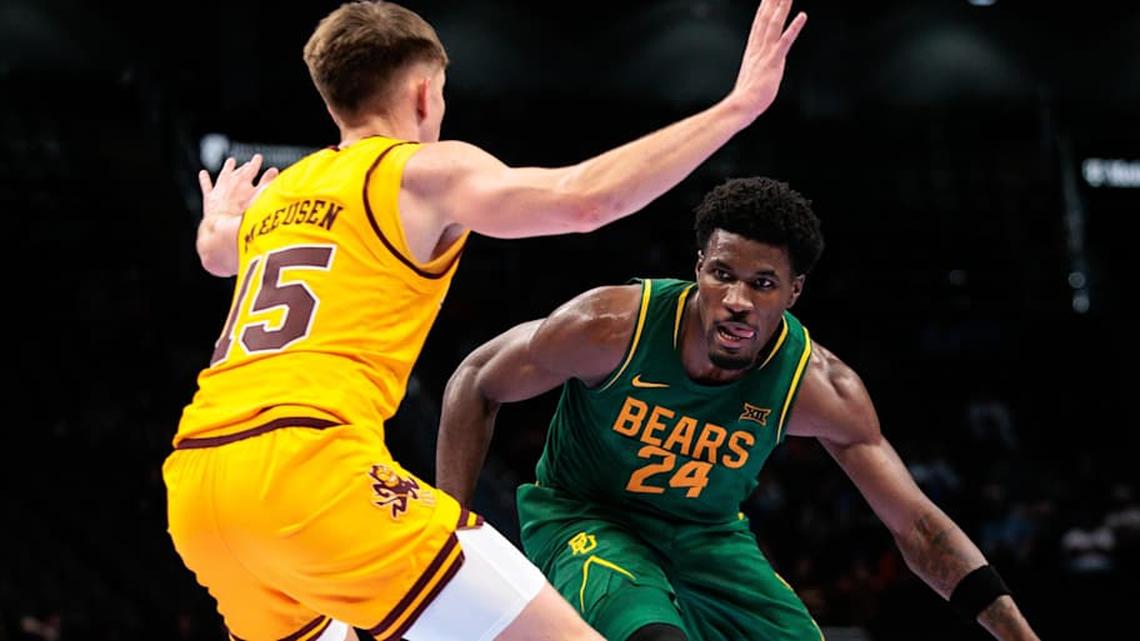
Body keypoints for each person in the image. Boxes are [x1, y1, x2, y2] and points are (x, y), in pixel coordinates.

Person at [164, 0, 808, 639]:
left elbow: (217, 253)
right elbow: (586, 200)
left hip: (197, 483)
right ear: (423, 94)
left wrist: (216, 220)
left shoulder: (279, 196)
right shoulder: (419, 172)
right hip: (308, 469)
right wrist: (737, 108)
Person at [436, 177, 1042, 641]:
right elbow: (474, 378)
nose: (736, 300)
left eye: (762, 283)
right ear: (698, 267)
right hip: (585, 519)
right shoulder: (609, 327)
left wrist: (1018, 633)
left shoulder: (817, 386)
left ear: (794, 291)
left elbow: (918, 527)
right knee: (652, 634)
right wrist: (451, 537)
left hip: (706, 534)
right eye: (722, 274)